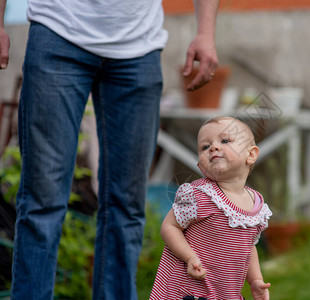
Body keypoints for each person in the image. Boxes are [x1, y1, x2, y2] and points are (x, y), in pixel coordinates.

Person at [0, 0, 219, 299]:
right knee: (42, 199)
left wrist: (206, 31)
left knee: (126, 206)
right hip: (59, 29)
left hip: (138, 46)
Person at [150, 116, 272, 300]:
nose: (214, 147)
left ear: (251, 155)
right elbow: (170, 227)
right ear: (201, 166)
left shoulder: (257, 206)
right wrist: (189, 257)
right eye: (205, 147)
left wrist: (255, 280)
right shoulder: (199, 195)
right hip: (188, 290)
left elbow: (249, 246)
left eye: (225, 141)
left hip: (225, 292)